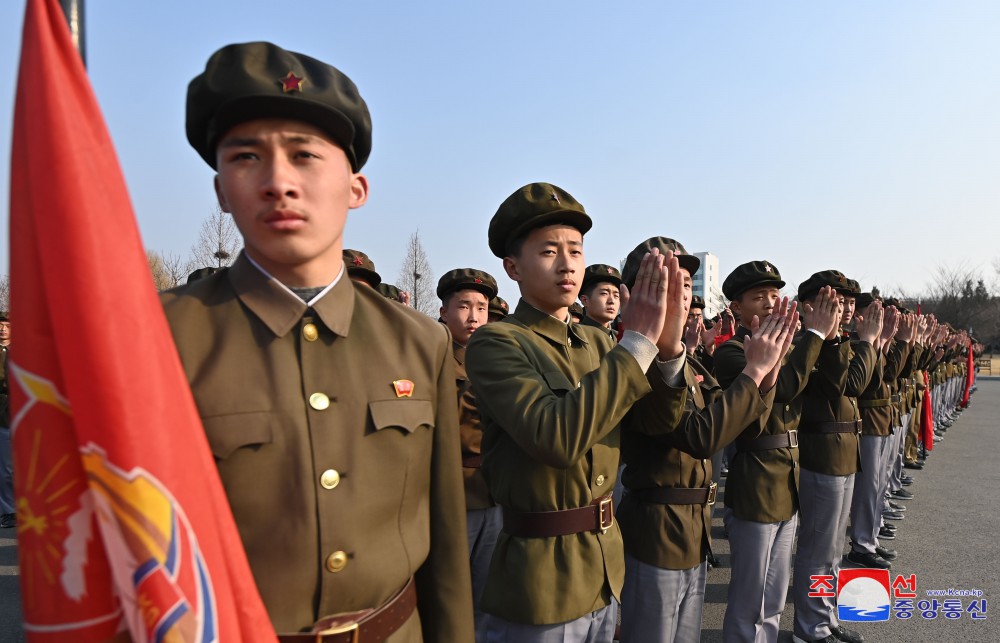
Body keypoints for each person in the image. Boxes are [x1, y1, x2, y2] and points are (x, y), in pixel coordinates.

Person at [162, 41, 473, 641]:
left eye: (305, 156)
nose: (279, 182)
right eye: (247, 156)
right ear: (222, 191)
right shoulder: (161, 337)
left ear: (356, 188)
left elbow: (445, 542)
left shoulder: (417, 341)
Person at [465, 182, 677, 642]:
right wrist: (636, 344)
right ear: (512, 267)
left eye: (576, 251)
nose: (567, 265)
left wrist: (669, 349)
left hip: (605, 562)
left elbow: (657, 426)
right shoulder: (497, 342)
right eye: (548, 252)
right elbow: (555, 438)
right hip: (542, 573)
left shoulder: (599, 342)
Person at [617, 239, 796, 643]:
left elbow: (744, 428)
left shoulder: (690, 362)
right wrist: (754, 373)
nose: (681, 293)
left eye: (685, 282)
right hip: (657, 533)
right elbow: (700, 437)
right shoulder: (633, 364)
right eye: (665, 284)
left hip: (693, 531)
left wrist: (767, 373)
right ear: (637, 296)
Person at [715, 262, 840, 643]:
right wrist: (814, 334)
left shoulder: (789, 350)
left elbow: (834, 384)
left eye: (774, 295)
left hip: (787, 479)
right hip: (755, 480)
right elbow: (783, 389)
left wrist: (830, 338)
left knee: (774, 593)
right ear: (735, 307)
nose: (770, 303)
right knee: (750, 593)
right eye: (758, 297)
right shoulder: (733, 353)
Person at [791, 271, 880, 643]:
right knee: (817, 548)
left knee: (832, 551)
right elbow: (847, 383)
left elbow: (868, 385)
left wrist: (868, 342)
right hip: (821, 455)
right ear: (810, 306)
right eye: (835, 302)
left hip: (844, 453)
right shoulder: (805, 344)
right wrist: (864, 342)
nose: (844, 309)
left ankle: (825, 619)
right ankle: (809, 628)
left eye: (846, 303)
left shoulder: (839, 343)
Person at [436, 267, 500, 641]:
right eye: (464, 306)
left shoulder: (495, 358)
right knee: (452, 594)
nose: (474, 316)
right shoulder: (434, 357)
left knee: (488, 594)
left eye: (481, 307)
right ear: (444, 311)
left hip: (492, 489)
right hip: (454, 491)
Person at [578, 263, 622, 341]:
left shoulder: (620, 339)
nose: (611, 301)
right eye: (604, 293)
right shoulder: (577, 336)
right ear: (585, 300)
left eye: (616, 296)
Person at [0, 313, 13, 529]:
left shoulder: (22, 351)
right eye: (0, 325)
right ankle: (8, 511)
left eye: (6, 325)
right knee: (5, 468)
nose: (2, 329)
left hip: (18, 413)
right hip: (2, 413)